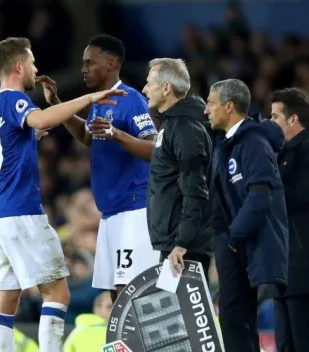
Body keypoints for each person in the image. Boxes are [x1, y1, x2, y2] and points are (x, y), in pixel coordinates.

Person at [0, 36, 125, 352]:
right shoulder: (13, 100)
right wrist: (90, 98)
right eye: (32, 63)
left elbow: (13, 141)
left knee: (6, 296)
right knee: (58, 293)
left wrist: (31, 134)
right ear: (18, 66)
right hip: (21, 211)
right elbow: (41, 117)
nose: (36, 69)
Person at [37, 34, 160, 302]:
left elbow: (153, 149)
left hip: (134, 209)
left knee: (133, 295)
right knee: (116, 297)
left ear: (111, 62)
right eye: (83, 64)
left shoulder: (131, 99)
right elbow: (87, 136)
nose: (83, 69)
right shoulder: (99, 102)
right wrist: (57, 105)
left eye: (89, 63)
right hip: (110, 212)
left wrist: (117, 133)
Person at [89, 57, 214, 278]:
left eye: (149, 83)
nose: (145, 88)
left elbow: (195, 189)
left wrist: (182, 243)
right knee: (174, 310)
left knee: (186, 311)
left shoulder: (185, 129)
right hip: (173, 242)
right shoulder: (173, 124)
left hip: (183, 246)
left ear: (166, 88)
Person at [205, 78, 289, 352]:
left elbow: (260, 196)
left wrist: (233, 237)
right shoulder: (226, 141)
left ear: (229, 107)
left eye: (211, 104)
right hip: (231, 239)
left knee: (237, 316)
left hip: (241, 241)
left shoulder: (252, 141)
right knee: (232, 315)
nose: (207, 110)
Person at [270, 87, 309, 352]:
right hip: (285, 265)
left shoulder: (305, 151)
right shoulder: (283, 153)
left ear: (293, 119)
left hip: (302, 265)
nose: (270, 123)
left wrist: (266, 196)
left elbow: (300, 195)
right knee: (285, 344)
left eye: (274, 117)